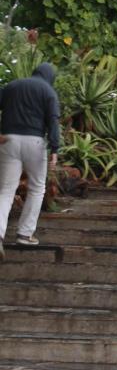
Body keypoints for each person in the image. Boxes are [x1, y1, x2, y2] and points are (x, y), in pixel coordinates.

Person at [0, 62, 61, 256]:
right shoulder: (48, 91)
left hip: (8, 140)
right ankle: (24, 234)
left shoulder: (12, 86)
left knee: (6, 190)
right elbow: (53, 119)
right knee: (37, 188)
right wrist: (54, 148)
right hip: (34, 142)